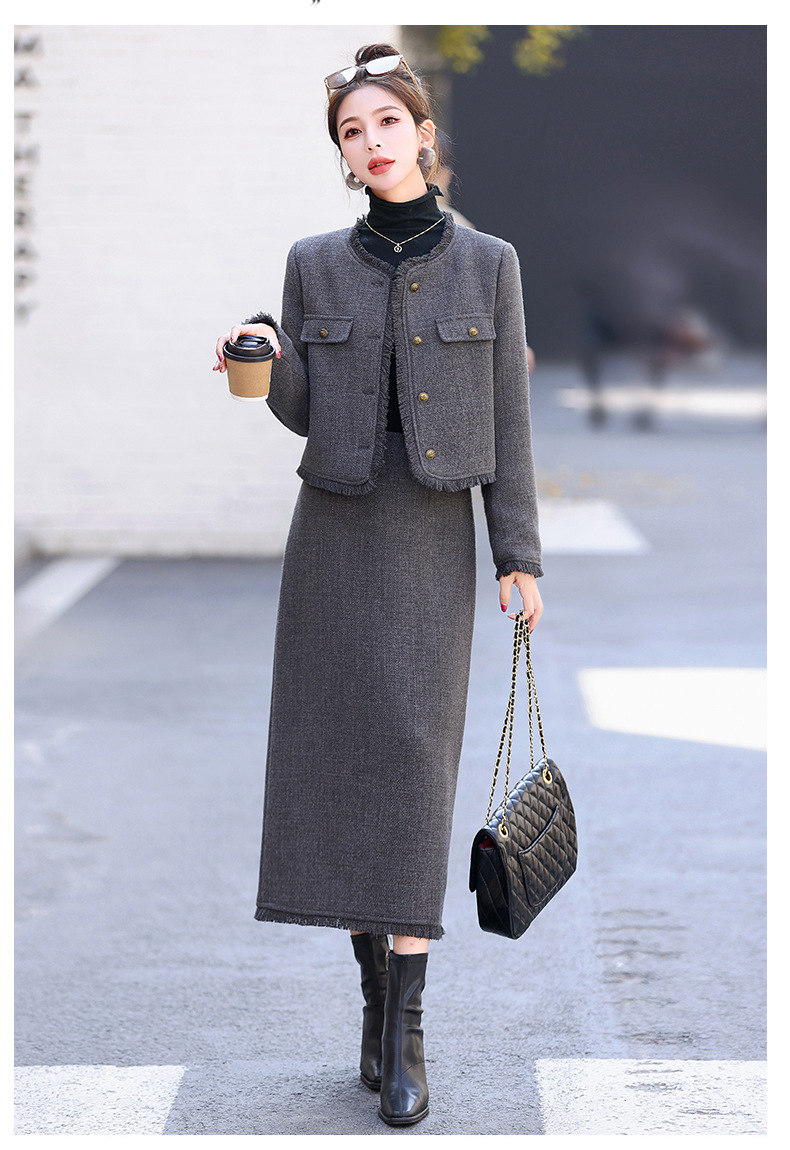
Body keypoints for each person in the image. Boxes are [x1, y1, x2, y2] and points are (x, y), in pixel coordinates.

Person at [213, 43, 543, 1127]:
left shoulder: (489, 262)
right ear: (345, 156)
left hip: (431, 537)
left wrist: (518, 554)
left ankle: (407, 1034)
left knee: (410, 768)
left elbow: (510, 421)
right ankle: (373, 1009)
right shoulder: (313, 263)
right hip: (335, 535)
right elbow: (302, 407)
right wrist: (261, 355)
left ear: (422, 135)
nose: (372, 142)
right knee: (344, 768)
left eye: (386, 123)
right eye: (352, 133)